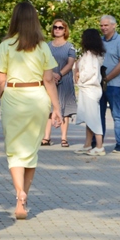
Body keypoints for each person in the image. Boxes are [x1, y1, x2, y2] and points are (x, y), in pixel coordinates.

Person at [0, 2, 62, 220]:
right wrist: (56, 108)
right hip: (38, 98)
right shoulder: (42, 46)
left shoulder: (6, 45)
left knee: (14, 149)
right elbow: (48, 79)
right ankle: (25, 195)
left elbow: (0, 80)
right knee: (31, 150)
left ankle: (18, 192)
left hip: (13, 98)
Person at [89, 15, 120, 153]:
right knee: (98, 115)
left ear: (114, 25)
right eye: (101, 25)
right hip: (98, 85)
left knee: (117, 114)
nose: (103, 28)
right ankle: (97, 143)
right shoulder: (99, 41)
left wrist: (108, 78)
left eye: (106, 25)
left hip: (114, 85)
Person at [42, 19, 77, 147]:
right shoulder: (47, 46)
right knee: (48, 108)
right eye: (55, 27)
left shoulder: (70, 46)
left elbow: (71, 62)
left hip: (64, 79)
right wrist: (51, 75)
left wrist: (60, 74)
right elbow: (43, 61)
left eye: (60, 28)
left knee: (64, 108)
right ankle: (46, 137)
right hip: (49, 79)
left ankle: (63, 138)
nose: (57, 29)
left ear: (65, 30)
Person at [74, 29, 107, 156]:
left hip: (89, 89)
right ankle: (88, 144)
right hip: (91, 89)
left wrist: (79, 77)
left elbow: (87, 73)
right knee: (90, 118)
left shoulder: (89, 56)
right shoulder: (95, 54)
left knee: (93, 118)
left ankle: (99, 146)